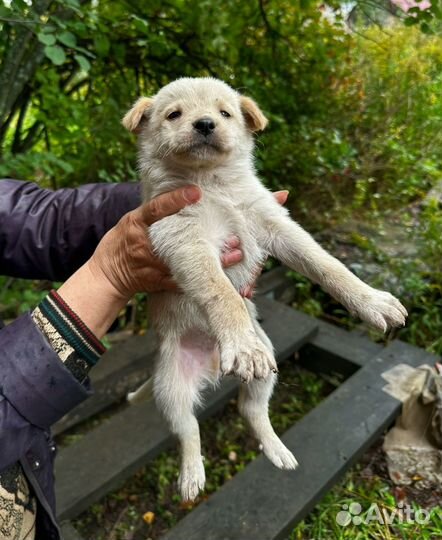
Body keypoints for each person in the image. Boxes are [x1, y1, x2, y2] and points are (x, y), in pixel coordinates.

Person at [0, 178, 287, 539]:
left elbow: (36, 218)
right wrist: (109, 275)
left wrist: (174, 200)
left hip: (31, 480)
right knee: (177, 395)